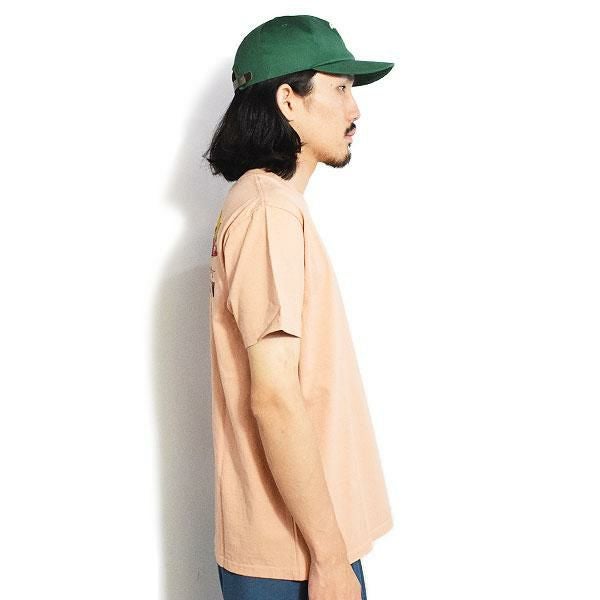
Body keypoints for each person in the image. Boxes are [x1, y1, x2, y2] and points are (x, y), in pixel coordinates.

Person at [203, 14, 395, 600]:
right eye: (340, 88)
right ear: (289, 100)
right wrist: (331, 560)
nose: (354, 109)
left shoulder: (266, 203)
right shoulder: (268, 212)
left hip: (300, 544)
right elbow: (274, 397)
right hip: (297, 557)